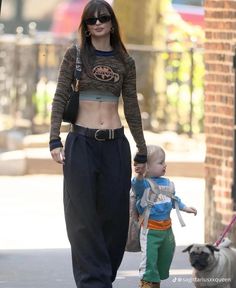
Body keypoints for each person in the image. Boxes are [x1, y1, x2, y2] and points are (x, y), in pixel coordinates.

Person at [49, 1, 147, 287]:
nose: (97, 23)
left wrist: (141, 149)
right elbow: (59, 97)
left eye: (103, 18)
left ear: (112, 22)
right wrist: (54, 138)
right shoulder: (76, 54)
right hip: (81, 142)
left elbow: (131, 108)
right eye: (91, 20)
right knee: (82, 218)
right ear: (86, 26)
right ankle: (93, 281)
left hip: (116, 145)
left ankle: (103, 276)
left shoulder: (125, 61)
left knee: (115, 218)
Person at [132, 145, 197, 288]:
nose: (165, 165)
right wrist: (140, 174)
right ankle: (146, 284)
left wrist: (185, 208)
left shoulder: (168, 183)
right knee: (149, 261)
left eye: (164, 162)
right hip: (150, 231)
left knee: (164, 259)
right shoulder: (143, 183)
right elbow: (136, 185)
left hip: (167, 230)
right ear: (147, 167)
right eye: (161, 162)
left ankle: (156, 283)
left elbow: (174, 199)